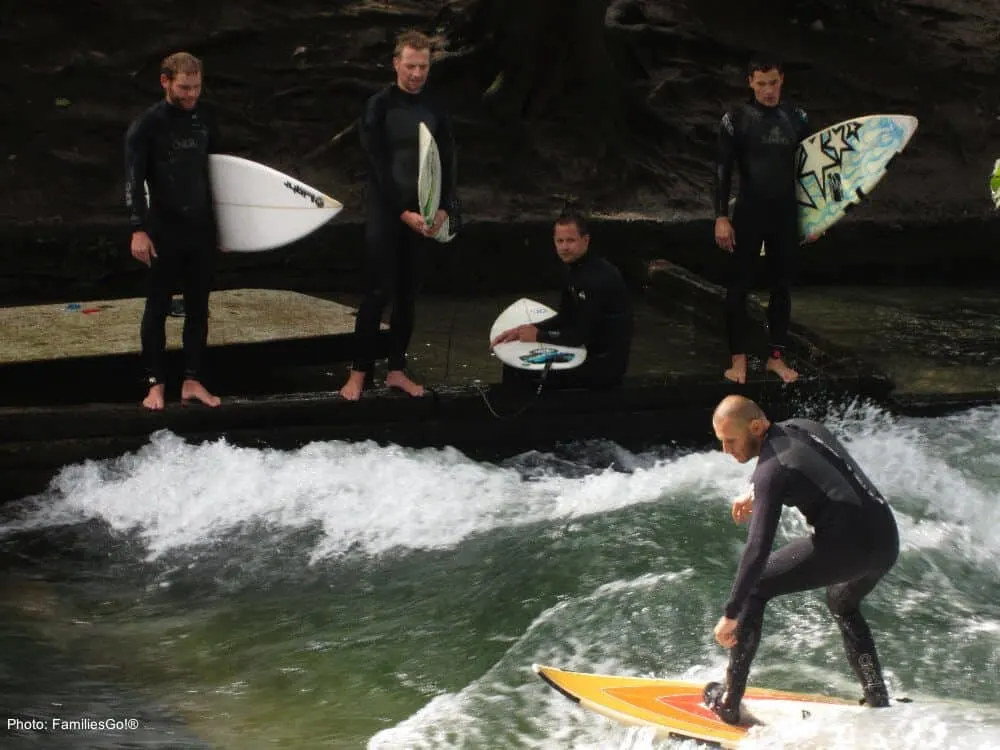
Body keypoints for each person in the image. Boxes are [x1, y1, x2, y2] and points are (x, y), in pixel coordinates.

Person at [705, 395, 899, 724]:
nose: (726, 450)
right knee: (842, 601)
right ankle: (877, 694)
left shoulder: (772, 471)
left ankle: (729, 701)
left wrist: (731, 613)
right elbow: (789, 466)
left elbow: (757, 548)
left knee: (757, 585)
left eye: (730, 441)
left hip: (849, 547)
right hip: (886, 540)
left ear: (755, 426)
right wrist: (751, 489)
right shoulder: (805, 429)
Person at [339, 30, 458, 401]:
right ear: (396, 64)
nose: (417, 73)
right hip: (386, 210)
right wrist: (401, 211)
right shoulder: (379, 106)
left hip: (422, 212)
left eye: (423, 67)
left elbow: (448, 163)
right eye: (411, 66)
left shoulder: (436, 108)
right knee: (377, 292)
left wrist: (444, 207)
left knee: (408, 295)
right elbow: (376, 165)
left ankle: (396, 370)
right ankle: (358, 374)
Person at [124, 51, 222, 410]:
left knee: (199, 307)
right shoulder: (146, 125)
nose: (191, 94)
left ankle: (192, 380)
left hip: (200, 229)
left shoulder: (206, 119)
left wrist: (226, 229)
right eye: (184, 87)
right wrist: (138, 228)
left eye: (196, 87)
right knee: (158, 306)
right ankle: (156, 384)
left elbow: (219, 176)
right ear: (165, 81)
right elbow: (133, 181)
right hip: (162, 229)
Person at [713, 59, 811, 386]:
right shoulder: (736, 120)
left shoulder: (797, 119)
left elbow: (811, 173)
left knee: (781, 287)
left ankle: (775, 359)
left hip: (785, 214)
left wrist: (817, 217)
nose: (768, 90)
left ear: (782, 80)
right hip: (748, 213)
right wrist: (721, 218)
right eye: (761, 84)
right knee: (737, 288)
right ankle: (738, 360)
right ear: (750, 83)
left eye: (773, 83)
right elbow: (723, 171)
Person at [490, 210, 632, 389]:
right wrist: (527, 329)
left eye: (571, 240)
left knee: (524, 373)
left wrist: (539, 335)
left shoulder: (599, 278)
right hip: (584, 351)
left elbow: (581, 335)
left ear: (585, 240)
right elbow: (564, 317)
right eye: (560, 241)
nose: (564, 247)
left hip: (603, 364)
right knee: (513, 366)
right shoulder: (572, 269)